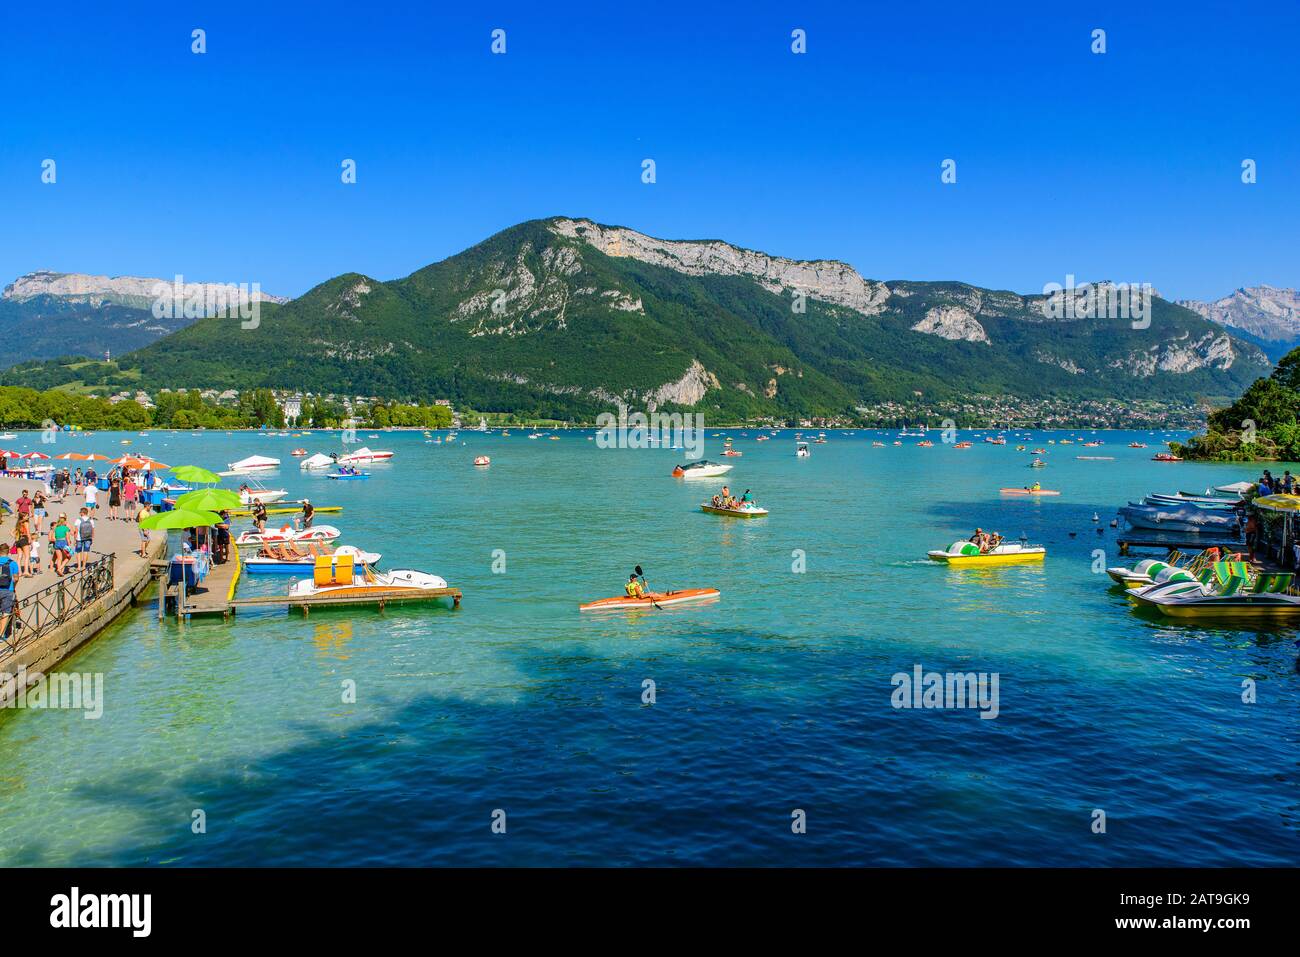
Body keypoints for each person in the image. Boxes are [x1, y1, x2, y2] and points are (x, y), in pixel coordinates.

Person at [0, 543, 19, 644]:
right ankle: (1, 635)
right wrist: (13, 587)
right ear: (8, 552)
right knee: (6, 612)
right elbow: (16, 578)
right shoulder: (12, 563)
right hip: (8, 589)